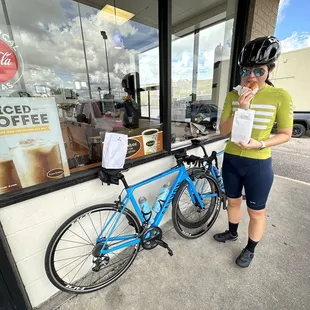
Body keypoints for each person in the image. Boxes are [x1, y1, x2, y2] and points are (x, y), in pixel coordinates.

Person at [214, 36, 293, 268]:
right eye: (246, 70)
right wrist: (242, 106)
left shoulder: (280, 96)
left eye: (258, 71)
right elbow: (223, 130)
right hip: (231, 159)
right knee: (233, 202)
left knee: (256, 211)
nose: (251, 77)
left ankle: (250, 248)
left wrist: (259, 144)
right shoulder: (232, 95)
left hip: (258, 163)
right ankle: (232, 232)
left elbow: (286, 134)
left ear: (270, 69)